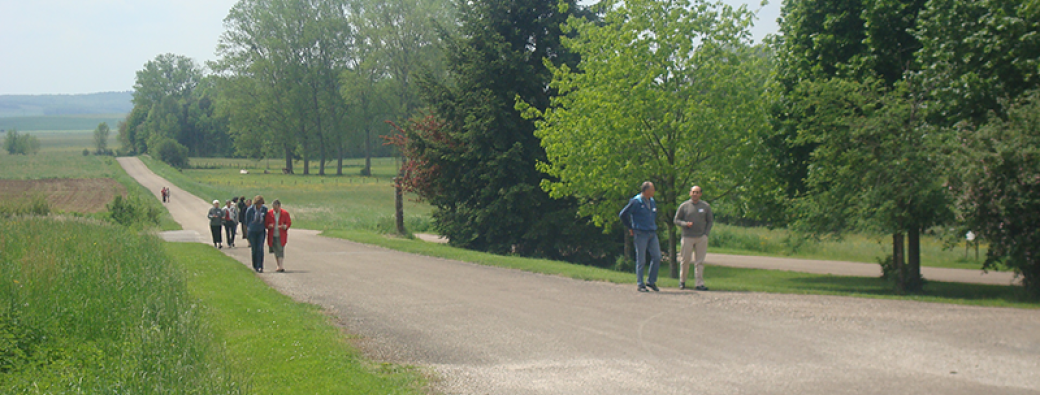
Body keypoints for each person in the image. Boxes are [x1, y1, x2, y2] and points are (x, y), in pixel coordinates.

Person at [619, 181, 661, 292]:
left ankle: (651, 281)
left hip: (652, 232)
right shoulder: (636, 201)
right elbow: (623, 214)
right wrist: (630, 227)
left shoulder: (652, 201)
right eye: (652, 189)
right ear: (646, 190)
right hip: (640, 233)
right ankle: (640, 283)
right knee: (641, 259)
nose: (654, 191)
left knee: (657, 256)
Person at [674, 186, 713, 291]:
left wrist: (706, 234)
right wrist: (685, 224)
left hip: (701, 237)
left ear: (700, 194)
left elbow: (710, 221)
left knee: (699, 262)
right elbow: (676, 220)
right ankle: (682, 281)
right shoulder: (684, 206)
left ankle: (699, 283)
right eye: (693, 192)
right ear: (690, 193)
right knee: (685, 260)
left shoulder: (705, 206)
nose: (695, 194)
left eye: (697, 192)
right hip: (687, 237)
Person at [265, 199, 292, 273]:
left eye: (276, 208)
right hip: (272, 234)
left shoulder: (285, 213)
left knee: (280, 249)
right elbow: (266, 223)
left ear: (279, 206)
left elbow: (288, 222)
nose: (275, 210)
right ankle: (278, 265)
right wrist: (269, 226)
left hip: (281, 235)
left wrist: (285, 226)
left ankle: (280, 266)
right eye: (274, 208)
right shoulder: (269, 213)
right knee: (275, 250)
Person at [245, 196, 268, 272]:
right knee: (254, 249)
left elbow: (266, 219)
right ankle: (255, 265)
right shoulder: (250, 210)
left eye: (261, 204)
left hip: (261, 231)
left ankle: (260, 266)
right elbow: (247, 221)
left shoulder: (264, 209)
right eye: (258, 204)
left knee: (260, 248)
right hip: (252, 231)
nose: (260, 205)